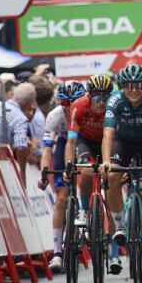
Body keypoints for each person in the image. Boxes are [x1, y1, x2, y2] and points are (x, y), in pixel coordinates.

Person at [101, 64, 142, 277]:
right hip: (124, 142)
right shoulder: (115, 99)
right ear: (122, 86)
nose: (133, 89)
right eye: (128, 85)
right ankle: (120, 225)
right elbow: (108, 133)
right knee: (112, 176)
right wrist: (105, 161)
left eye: (138, 85)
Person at [42, 81, 84, 272]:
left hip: (84, 144)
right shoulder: (55, 116)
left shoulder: (87, 110)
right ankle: (57, 253)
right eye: (65, 104)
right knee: (60, 199)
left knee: (89, 181)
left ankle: (89, 215)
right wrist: (44, 173)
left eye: (73, 102)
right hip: (64, 145)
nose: (69, 108)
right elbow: (47, 150)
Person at [65, 74, 112, 229]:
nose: (101, 102)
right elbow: (71, 141)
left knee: (113, 175)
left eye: (105, 97)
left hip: (107, 140)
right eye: (97, 97)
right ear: (89, 95)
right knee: (86, 172)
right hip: (85, 141)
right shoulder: (78, 106)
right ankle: (84, 210)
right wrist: (68, 166)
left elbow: (116, 137)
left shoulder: (113, 106)